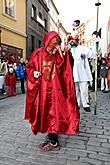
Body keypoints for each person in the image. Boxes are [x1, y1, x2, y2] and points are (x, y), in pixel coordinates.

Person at [25, 31, 80, 151]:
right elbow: (29, 67)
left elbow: (67, 67)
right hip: (42, 91)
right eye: (53, 44)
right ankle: (50, 135)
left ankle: (54, 141)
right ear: (47, 42)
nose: (54, 47)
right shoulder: (37, 54)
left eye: (57, 44)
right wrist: (33, 73)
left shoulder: (59, 54)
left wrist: (65, 54)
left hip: (56, 91)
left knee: (54, 114)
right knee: (45, 114)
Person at [67, 35, 93, 112]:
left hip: (82, 72)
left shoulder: (83, 48)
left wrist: (85, 55)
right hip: (73, 72)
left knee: (84, 89)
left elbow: (90, 52)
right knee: (75, 89)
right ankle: (77, 104)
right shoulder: (68, 50)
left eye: (73, 40)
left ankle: (85, 104)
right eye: (70, 40)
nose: (72, 41)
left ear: (76, 41)